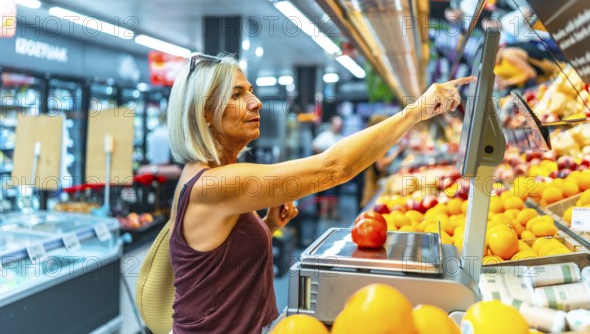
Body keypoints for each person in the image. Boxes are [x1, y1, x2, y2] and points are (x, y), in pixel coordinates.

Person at [166, 53, 474, 334]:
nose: (255, 101)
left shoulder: (206, 176)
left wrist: (267, 227)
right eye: (237, 94)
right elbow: (333, 168)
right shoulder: (214, 184)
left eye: (250, 90)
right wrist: (416, 111)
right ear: (205, 112)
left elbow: (214, 262)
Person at [360, 115, 406, 209]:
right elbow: (381, 165)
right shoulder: (377, 143)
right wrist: (397, 151)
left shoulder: (372, 140)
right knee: (370, 206)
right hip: (373, 185)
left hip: (373, 182)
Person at [311, 115, 344, 219]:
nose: (338, 127)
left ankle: (334, 212)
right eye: (336, 125)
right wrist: (325, 156)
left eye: (340, 125)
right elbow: (314, 146)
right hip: (324, 170)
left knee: (335, 193)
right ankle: (324, 213)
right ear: (331, 125)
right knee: (326, 192)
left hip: (336, 171)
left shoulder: (341, 138)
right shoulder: (324, 136)